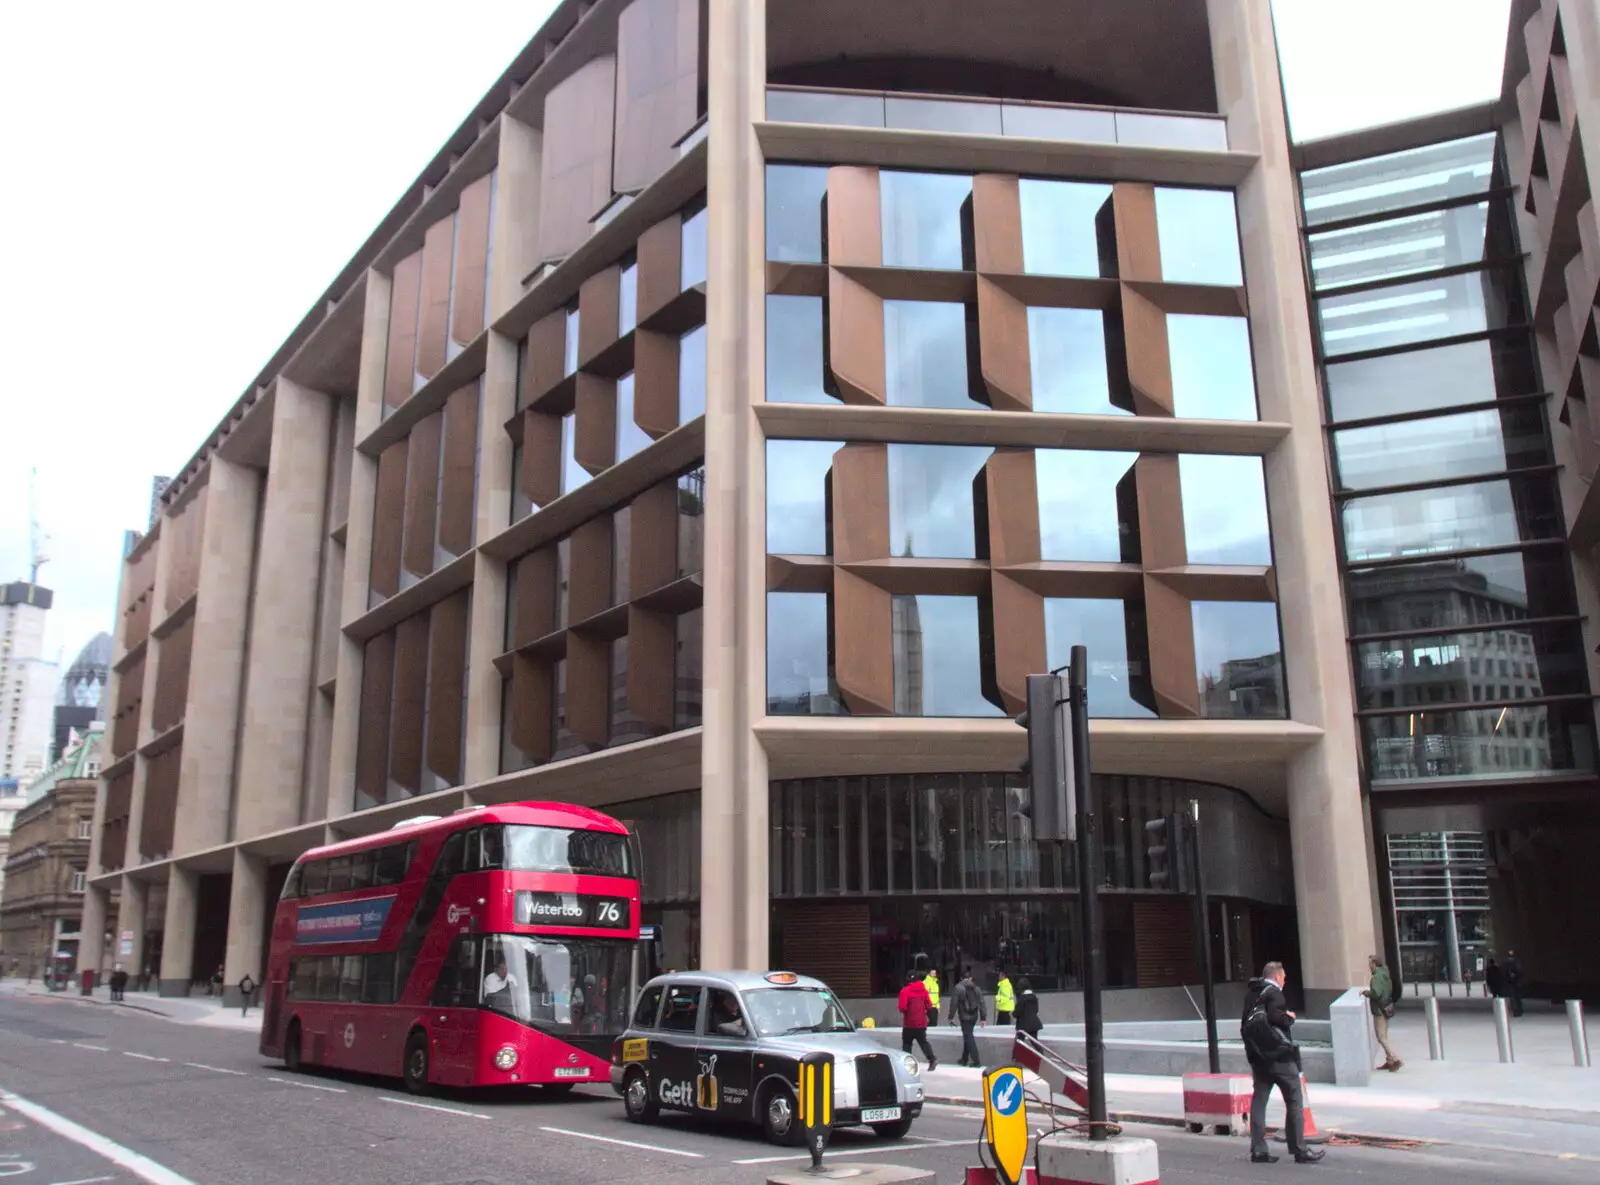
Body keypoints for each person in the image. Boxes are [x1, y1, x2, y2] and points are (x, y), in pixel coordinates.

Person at [1242, 961, 1322, 1165]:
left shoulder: (1252, 994)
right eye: (1284, 977)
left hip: (1258, 1058)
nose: (1285, 981)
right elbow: (1277, 1018)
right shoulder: (1275, 994)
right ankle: (1299, 1149)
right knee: (1294, 1099)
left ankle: (1258, 1149)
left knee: (1259, 1101)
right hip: (1279, 1058)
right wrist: (1290, 1018)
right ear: (1277, 976)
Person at [1362, 954, 1402, 1071]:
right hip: (1386, 1008)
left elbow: (1376, 993)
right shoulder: (1385, 975)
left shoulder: (1376, 978)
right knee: (1384, 1035)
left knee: (1381, 1037)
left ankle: (1395, 1059)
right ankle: (1390, 1061)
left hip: (1379, 1010)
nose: (1369, 966)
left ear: (1374, 964)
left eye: (1370, 964)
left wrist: (1366, 993)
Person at [897, 969, 937, 1071]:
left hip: (909, 1023)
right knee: (923, 1042)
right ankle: (932, 1060)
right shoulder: (924, 991)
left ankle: (907, 1066)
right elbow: (929, 1005)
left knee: (907, 1045)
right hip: (921, 1023)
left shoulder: (905, 991)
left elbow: (902, 1008)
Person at [952, 967, 986, 1067]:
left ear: (961, 978)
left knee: (968, 1037)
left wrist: (951, 1017)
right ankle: (964, 1059)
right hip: (974, 1016)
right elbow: (982, 1003)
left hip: (964, 1016)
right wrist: (983, 1018)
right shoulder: (977, 988)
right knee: (968, 1035)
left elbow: (954, 1003)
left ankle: (976, 1061)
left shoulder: (958, 987)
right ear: (970, 977)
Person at [1503, 950, 1524, 1017]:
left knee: (1513, 997)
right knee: (1517, 997)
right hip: (1517, 982)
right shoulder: (1517, 963)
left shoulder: (1507, 963)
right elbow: (1520, 972)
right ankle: (1519, 1010)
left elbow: (1505, 973)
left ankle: (1516, 1010)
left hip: (1511, 982)